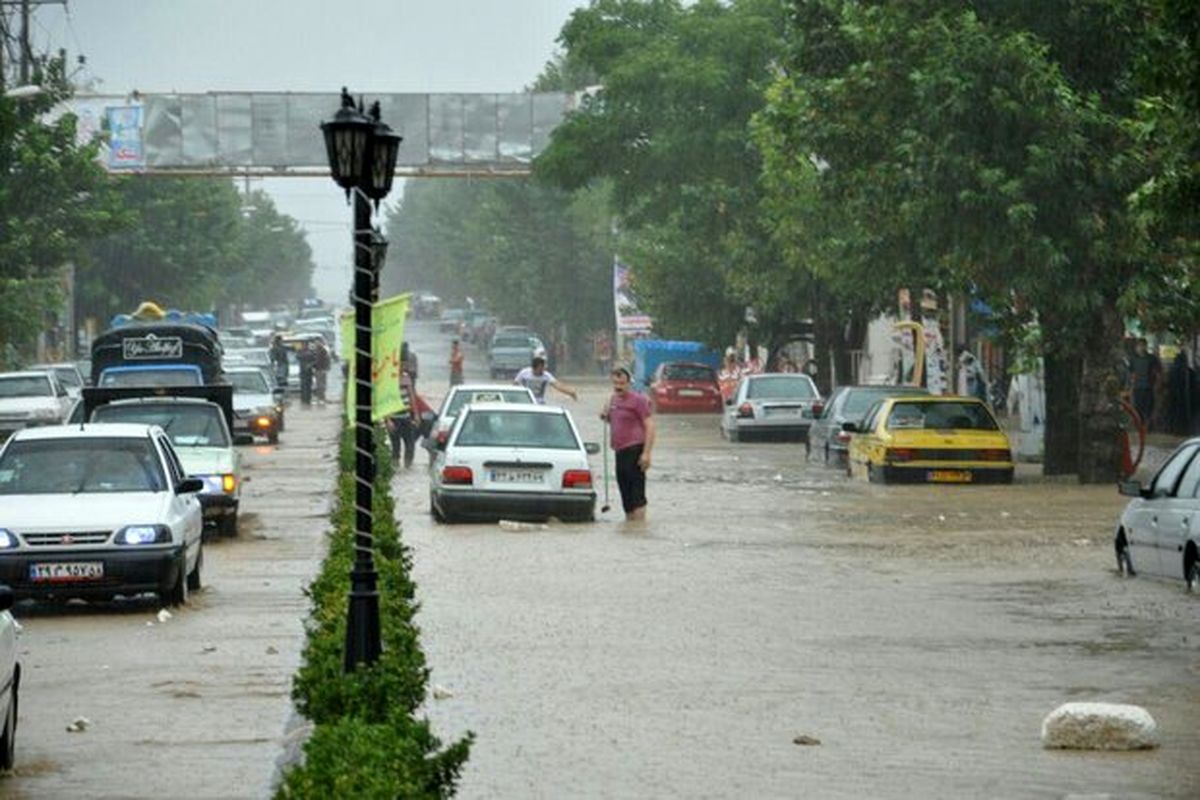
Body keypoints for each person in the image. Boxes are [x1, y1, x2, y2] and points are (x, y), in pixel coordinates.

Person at [600, 365, 656, 521]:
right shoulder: (612, 400)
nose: (618, 387)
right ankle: (631, 528)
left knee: (637, 495)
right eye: (615, 384)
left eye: (622, 384)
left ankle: (639, 527)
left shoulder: (639, 400)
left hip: (635, 450)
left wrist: (646, 454)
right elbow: (612, 420)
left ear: (629, 383)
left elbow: (650, 425)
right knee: (625, 495)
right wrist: (605, 415)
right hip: (619, 452)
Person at [386, 368, 419, 468]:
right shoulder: (388, 378)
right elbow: (384, 401)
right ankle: (396, 465)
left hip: (406, 417)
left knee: (410, 444)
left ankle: (408, 465)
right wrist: (388, 420)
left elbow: (412, 397)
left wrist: (416, 414)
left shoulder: (406, 377)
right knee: (396, 446)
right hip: (393, 418)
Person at [1129, 338, 1160, 428]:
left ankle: (1149, 425)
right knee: (1138, 408)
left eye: (1143, 346)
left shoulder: (1151, 358)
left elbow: (1157, 372)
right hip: (1137, 387)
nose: (1141, 348)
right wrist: (1131, 387)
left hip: (1149, 387)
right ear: (1136, 347)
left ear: (1146, 346)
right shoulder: (1133, 359)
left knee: (1149, 408)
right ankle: (1140, 425)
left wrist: (1157, 385)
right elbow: (1132, 374)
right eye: (1139, 346)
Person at [297, 341, 317, 406]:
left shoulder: (311, 352)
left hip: (308, 372)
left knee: (308, 387)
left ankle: (307, 400)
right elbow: (297, 357)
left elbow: (315, 361)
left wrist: (310, 365)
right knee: (303, 387)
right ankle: (304, 400)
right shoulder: (300, 352)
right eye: (304, 345)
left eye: (306, 345)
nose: (304, 346)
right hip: (303, 372)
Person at [313, 338, 332, 404]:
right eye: (315, 343)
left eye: (317, 342)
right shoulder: (316, 350)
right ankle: (320, 399)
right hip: (317, 370)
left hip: (321, 370)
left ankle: (322, 399)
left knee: (321, 385)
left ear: (320, 342)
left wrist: (326, 369)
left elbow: (327, 360)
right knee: (318, 385)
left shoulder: (323, 350)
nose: (315, 344)